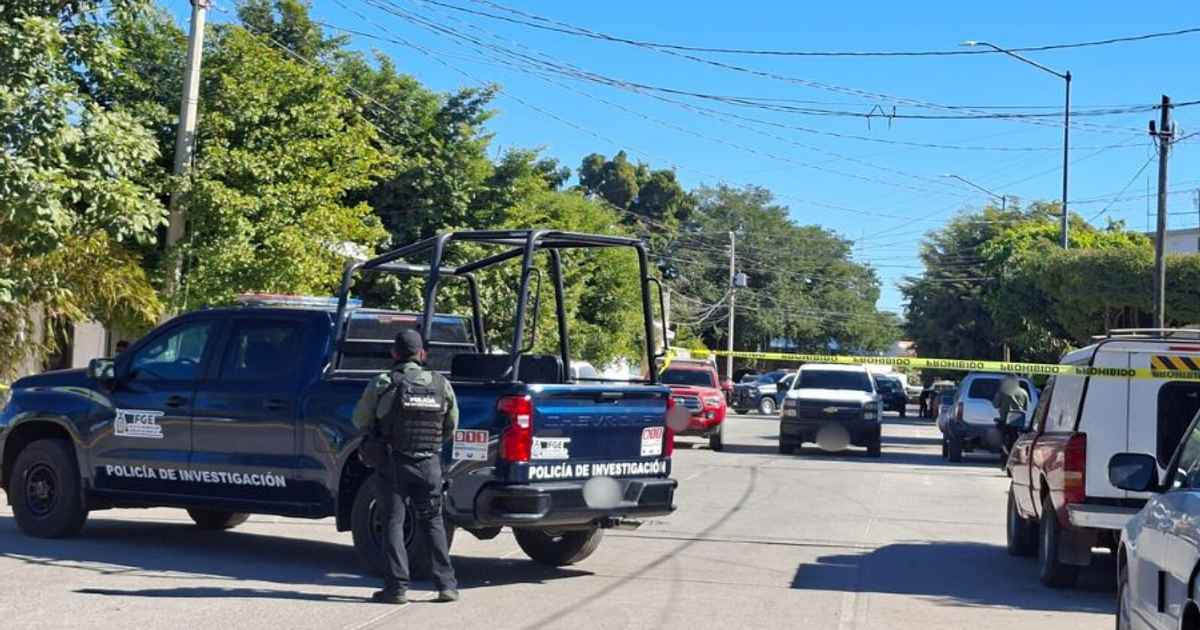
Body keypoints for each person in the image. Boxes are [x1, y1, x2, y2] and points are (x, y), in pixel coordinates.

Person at [353, 329, 459, 605]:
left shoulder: (384, 382)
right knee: (433, 522)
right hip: (429, 464)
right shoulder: (440, 383)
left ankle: (396, 588)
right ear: (422, 354)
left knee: (392, 523)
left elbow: (359, 419)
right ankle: (447, 586)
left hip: (393, 463)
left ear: (394, 354)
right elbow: (450, 426)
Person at [992, 374, 1030, 460]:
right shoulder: (1024, 392)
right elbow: (1026, 407)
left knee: (1000, 436)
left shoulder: (1004, 391)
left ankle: (1005, 456)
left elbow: (995, 404)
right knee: (1017, 438)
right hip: (1019, 421)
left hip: (1006, 420)